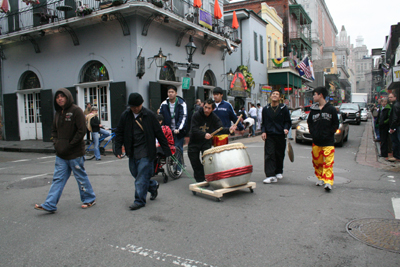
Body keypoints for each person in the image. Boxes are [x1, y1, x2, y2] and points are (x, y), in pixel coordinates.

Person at [34, 88, 96, 213]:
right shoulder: (58, 113)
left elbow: (81, 131)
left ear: (68, 97)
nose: (60, 99)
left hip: (75, 153)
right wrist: (56, 143)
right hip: (61, 154)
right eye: (57, 97)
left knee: (80, 176)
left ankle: (89, 198)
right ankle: (50, 204)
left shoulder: (76, 111)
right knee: (58, 178)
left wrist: (70, 145)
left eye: (62, 96)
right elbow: (54, 131)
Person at [114, 93, 172, 210]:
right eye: (132, 106)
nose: (135, 109)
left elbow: (159, 133)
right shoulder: (125, 115)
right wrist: (118, 148)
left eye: (137, 106)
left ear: (142, 104)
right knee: (135, 173)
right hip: (132, 149)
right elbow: (119, 132)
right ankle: (153, 186)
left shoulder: (149, 115)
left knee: (141, 177)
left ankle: (139, 200)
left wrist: (167, 150)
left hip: (146, 149)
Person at [188, 98, 237, 183]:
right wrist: (204, 134)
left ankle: (206, 178)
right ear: (203, 106)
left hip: (206, 142)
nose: (206, 110)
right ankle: (200, 180)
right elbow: (193, 129)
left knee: (207, 161)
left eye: (209, 108)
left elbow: (220, 128)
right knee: (194, 161)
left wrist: (229, 129)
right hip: (194, 140)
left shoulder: (214, 117)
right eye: (205, 107)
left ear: (213, 109)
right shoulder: (196, 115)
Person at [307, 87, 339, 191]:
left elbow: (335, 124)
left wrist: (330, 132)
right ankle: (320, 177)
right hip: (316, 141)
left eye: (315, 94)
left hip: (328, 141)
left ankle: (328, 181)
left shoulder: (331, 109)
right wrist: (313, 132)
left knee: (328, 162)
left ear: (320, 95)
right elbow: (310, 122)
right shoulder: (313, 109)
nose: (313, 96)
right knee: (317, 161)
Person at [261, 89, 291, 184]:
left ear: (279, 97)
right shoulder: (266, 109)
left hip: (280, 134)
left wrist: (286, 128)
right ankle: (270, 175)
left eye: (277, 94)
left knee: (279, 154)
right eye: (273, 94)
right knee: (269, 154)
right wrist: (263, 131)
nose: (274, 95)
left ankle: (278, 171)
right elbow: (264, 123)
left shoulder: (283, 108)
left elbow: (287, 121)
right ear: (270, 96)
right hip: (269, 135)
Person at [159, 85, 187, 157]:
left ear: (176, 93)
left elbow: (183, 117)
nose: (170, 93)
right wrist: (162, 127)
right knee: (167, 147)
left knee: (177, 147)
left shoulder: (181, 103)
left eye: (172, 92)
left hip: (178, 130)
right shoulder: (164, 104)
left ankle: (178, 166)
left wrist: (178, 128)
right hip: (167, 130)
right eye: (169, 92)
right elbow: (160, 117)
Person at [389, 91, 400, 161]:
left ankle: (397, 156)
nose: (389, 98)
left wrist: (392, 127)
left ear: (395, 97)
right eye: (389, 97)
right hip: (397, 126)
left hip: (397, 126)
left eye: (391, 97)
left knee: (396, 141)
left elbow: (395, 118)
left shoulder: (396, 106)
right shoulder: (396, 105)